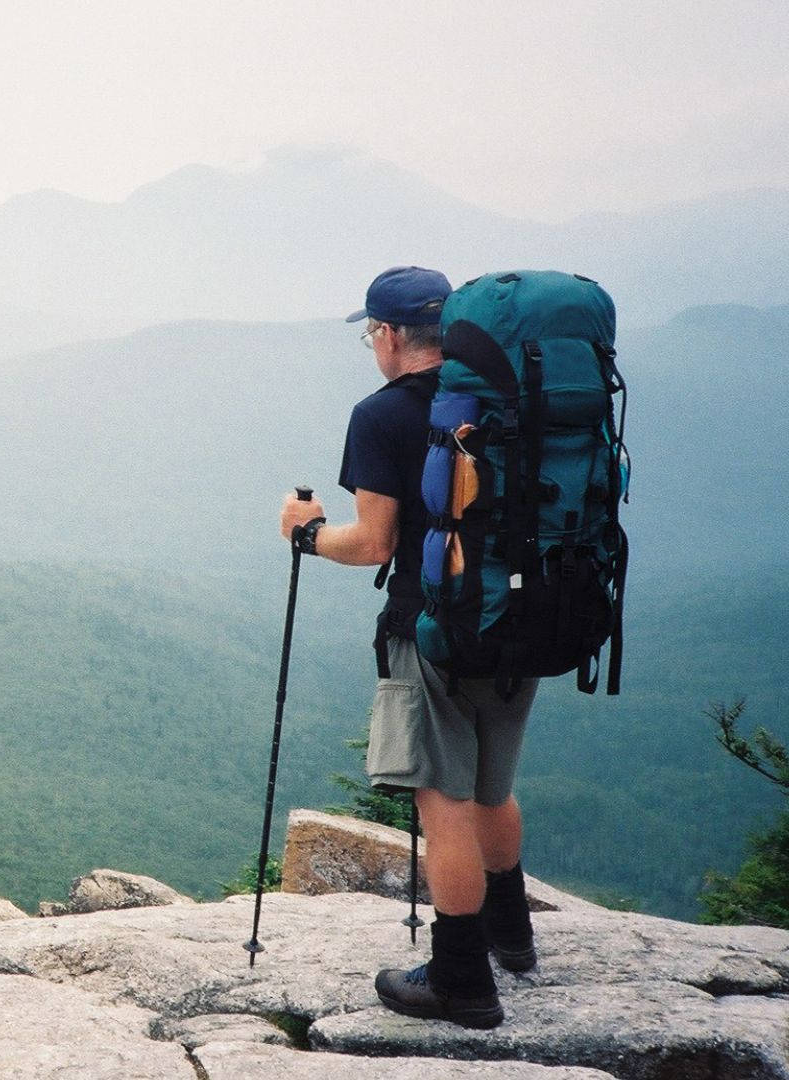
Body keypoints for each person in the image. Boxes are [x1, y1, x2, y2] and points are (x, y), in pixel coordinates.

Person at [277, 266, 536, 1030]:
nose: (372, 346)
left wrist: (308, 533)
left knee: (443, 800)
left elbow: (374, 543)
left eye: (371, 334)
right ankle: (511, 939)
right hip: (523, 617)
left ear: (390, 336)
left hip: (435, 629)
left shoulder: (383, 414)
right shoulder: (505, 396)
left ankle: (462, 981)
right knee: (492, 786)